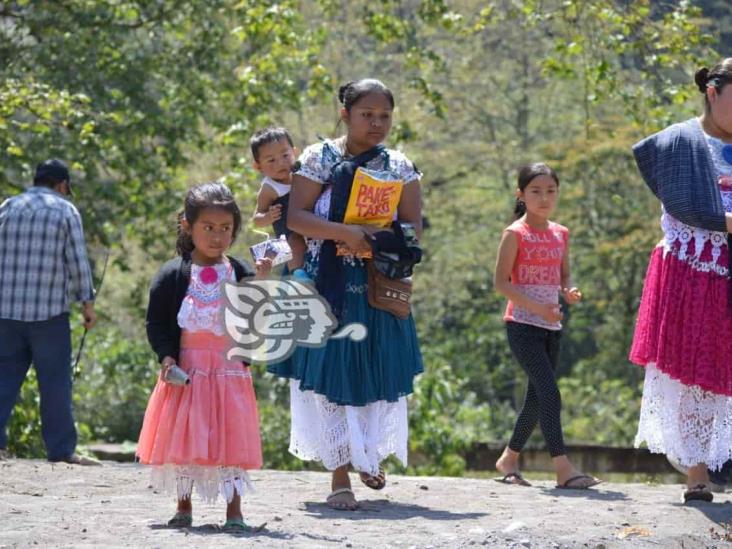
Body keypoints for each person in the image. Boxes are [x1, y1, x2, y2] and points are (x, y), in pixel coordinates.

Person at [269, 78, 423, 510]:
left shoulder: (400, 166)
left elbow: (413, 230)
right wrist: (345, 233)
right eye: (367, 115)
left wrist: (372, 242)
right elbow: (296, 218)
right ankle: (339, 475)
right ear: (345, 114)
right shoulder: (318, 159)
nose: (377, 124)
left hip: (377, 287)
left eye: (385, 116)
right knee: (330, 377)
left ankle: (368, 456)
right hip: (323, 285)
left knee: (375, 372)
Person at [136, 181, 271, 530]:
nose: (217, 236)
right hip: (188, 374)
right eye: (208, 228)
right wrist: (166, 358)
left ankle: (235, 512)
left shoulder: (240, 271)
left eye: (225, 229)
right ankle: (183, 507)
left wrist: (264, 281)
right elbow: (157, 322)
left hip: (229, 373)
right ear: (188, 226)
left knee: (231, 443)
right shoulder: (172, 275)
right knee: (185, 439)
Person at [630, 58, 732, 503]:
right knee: (697, 375)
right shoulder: (679, 142)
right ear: (713, 92)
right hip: (695, 270)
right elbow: (682, 206)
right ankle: (697, 474)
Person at [493, 163, 600, 490]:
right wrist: (539, 307)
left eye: (550, 191)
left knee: (537, 399)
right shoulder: (515, 234)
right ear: (521, 194)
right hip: (522, 325)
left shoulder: (560, 233)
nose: (544, 198)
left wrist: (568, 291)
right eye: (535, 191)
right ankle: (563, 468)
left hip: (552, 326)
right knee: (550, 393)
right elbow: (501, 283)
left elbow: (562, 274)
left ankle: (508, 459)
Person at [0, 159, 98, 465]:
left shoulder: (7, 207)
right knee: (55, 383)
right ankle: (60, 450)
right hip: (49, 315)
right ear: (61, 184)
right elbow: (77, 261)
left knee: (3, 379)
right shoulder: (65, 211)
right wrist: (88, 304)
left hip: (6, 312)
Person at [250, 127, 307, 274]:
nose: (280, 163)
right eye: (271, 160)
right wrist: (268, 217)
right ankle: (298, 275)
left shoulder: (303, 172)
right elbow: (257, 219)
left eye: (285, 156)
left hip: (311, 221)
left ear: (295, 153)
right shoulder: (269, 188)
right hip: (290, 230)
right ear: (258, 166)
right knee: (295, 242)